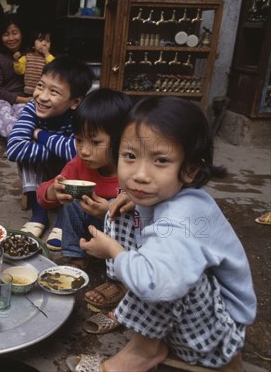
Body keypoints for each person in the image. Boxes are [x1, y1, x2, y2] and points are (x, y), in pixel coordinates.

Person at [70, 97, 257, 371]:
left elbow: (156, 283)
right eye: (130, 156)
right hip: (199, 316)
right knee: (121, 212)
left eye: (161, 160)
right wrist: (130, 203)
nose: (140, 175)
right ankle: (138, 318)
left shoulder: (179, 220)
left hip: (215, 335)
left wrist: (112, 250)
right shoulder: (176, 198)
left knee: (156, 273)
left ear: (190, 169)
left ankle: (143, 350)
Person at [37, 88, 133, 272]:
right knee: (73, 200)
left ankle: (121, 272)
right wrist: (54, 191)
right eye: (79, 140)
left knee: (121, 203)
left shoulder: (133, 171)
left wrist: (108, 212)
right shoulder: (79, 164)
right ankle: (75, 256)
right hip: (88, 234)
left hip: (123, 238)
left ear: (122, 140)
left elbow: (145, 217)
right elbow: (42, 194)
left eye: (95, 142)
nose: (84, 150)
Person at [6, 56, 93, 238]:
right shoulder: (31, 108)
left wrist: (40, 134)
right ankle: (39, 216)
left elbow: (75, 152)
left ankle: (64, 219)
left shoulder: (80, 116)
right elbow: (14, 149)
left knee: (80, 160)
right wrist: (59, 150)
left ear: (75, 102)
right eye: (40, 86)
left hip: (68, 173)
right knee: (26, 156)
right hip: (43, 169)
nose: (42, 97)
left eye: (54, 92)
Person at [0, 13, 32, 138]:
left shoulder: (31, 55)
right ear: (0, 37)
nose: (11, 38)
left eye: (15, 33)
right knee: (4, 113)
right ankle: (18, 142)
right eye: (6, 34)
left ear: (22, 34)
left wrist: (27, 100)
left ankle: (20, 141)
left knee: (26, 117)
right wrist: (23, 100)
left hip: (25, 98)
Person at [13, 29, 55, 96]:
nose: (44, 44)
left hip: (43, 92)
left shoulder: (48, 57)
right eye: (40, 41)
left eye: (47, 41)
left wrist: (46, 54)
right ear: (33, 44)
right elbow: (19, 71)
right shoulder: (27, 57)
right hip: (27, 91)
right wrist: (16, 61)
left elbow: (54, 68)